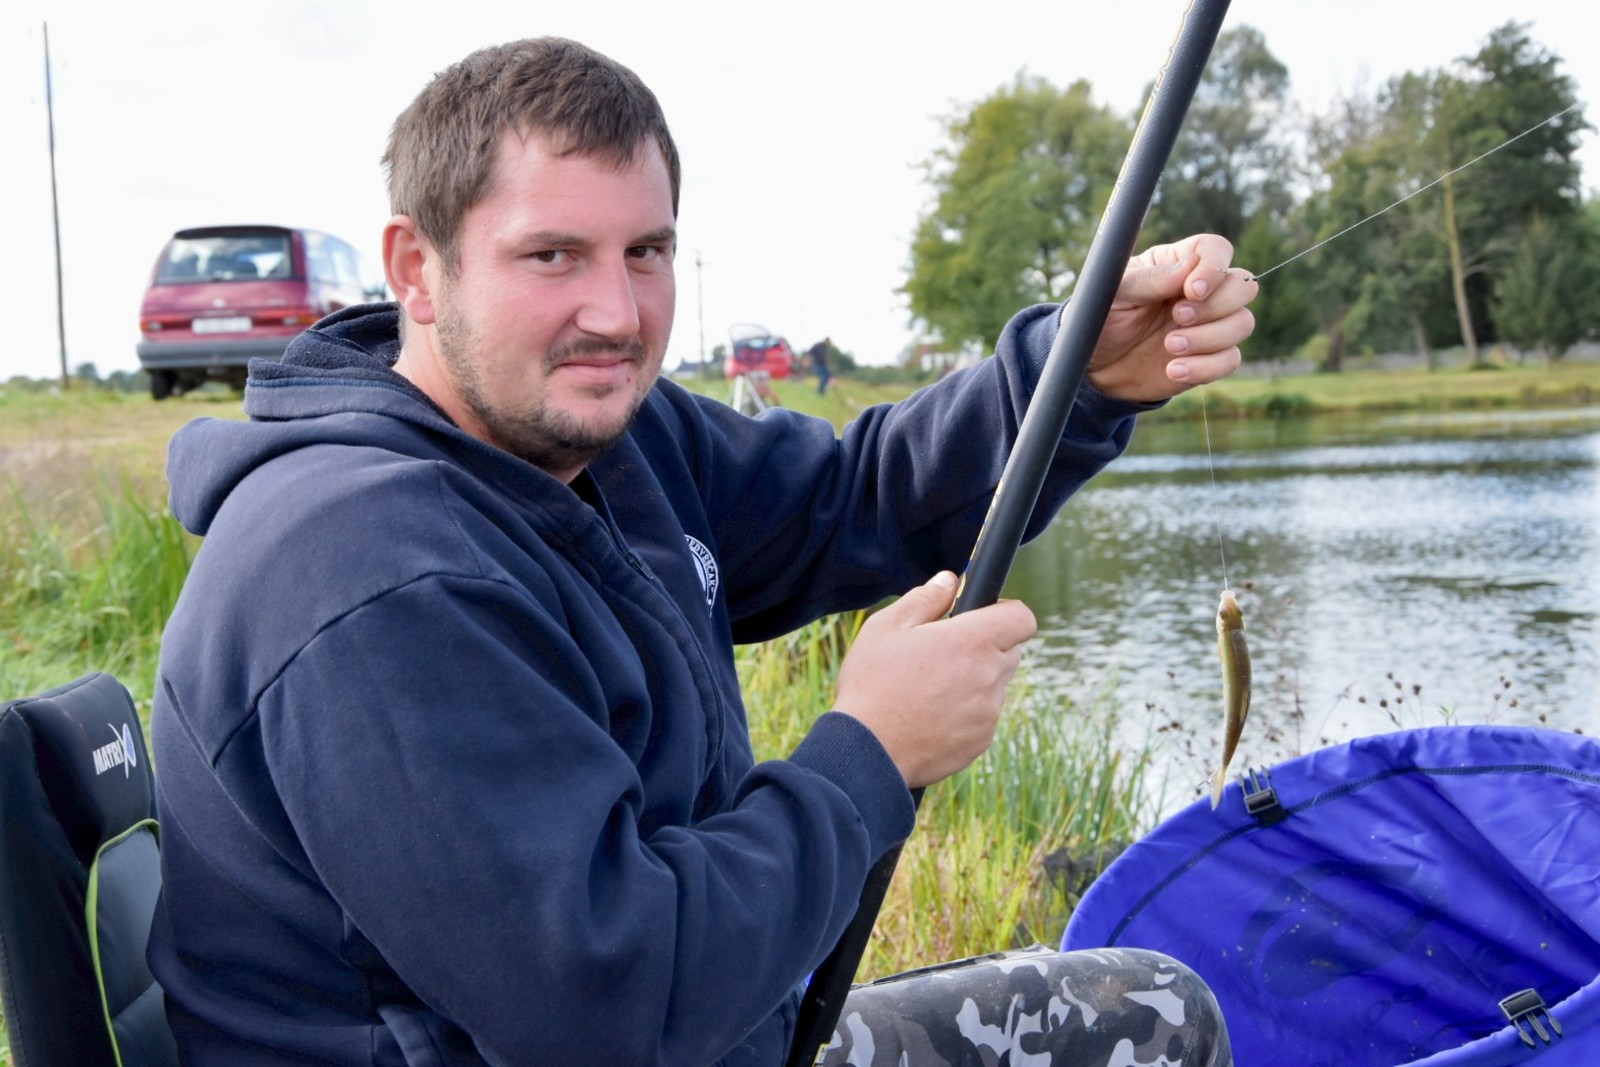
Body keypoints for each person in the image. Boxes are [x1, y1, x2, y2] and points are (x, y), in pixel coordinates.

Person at [147, 36, 1257, 1067]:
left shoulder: (597, 439)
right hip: (631, 1028)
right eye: (551, 255)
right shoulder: (368, 572)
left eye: (647, 251)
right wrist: (871, 751)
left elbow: (851, 499)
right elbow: (610, 1000)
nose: (616, 311)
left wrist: (1074, 371)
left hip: (710, 1022)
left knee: (1152, 1015)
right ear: (418, 269)